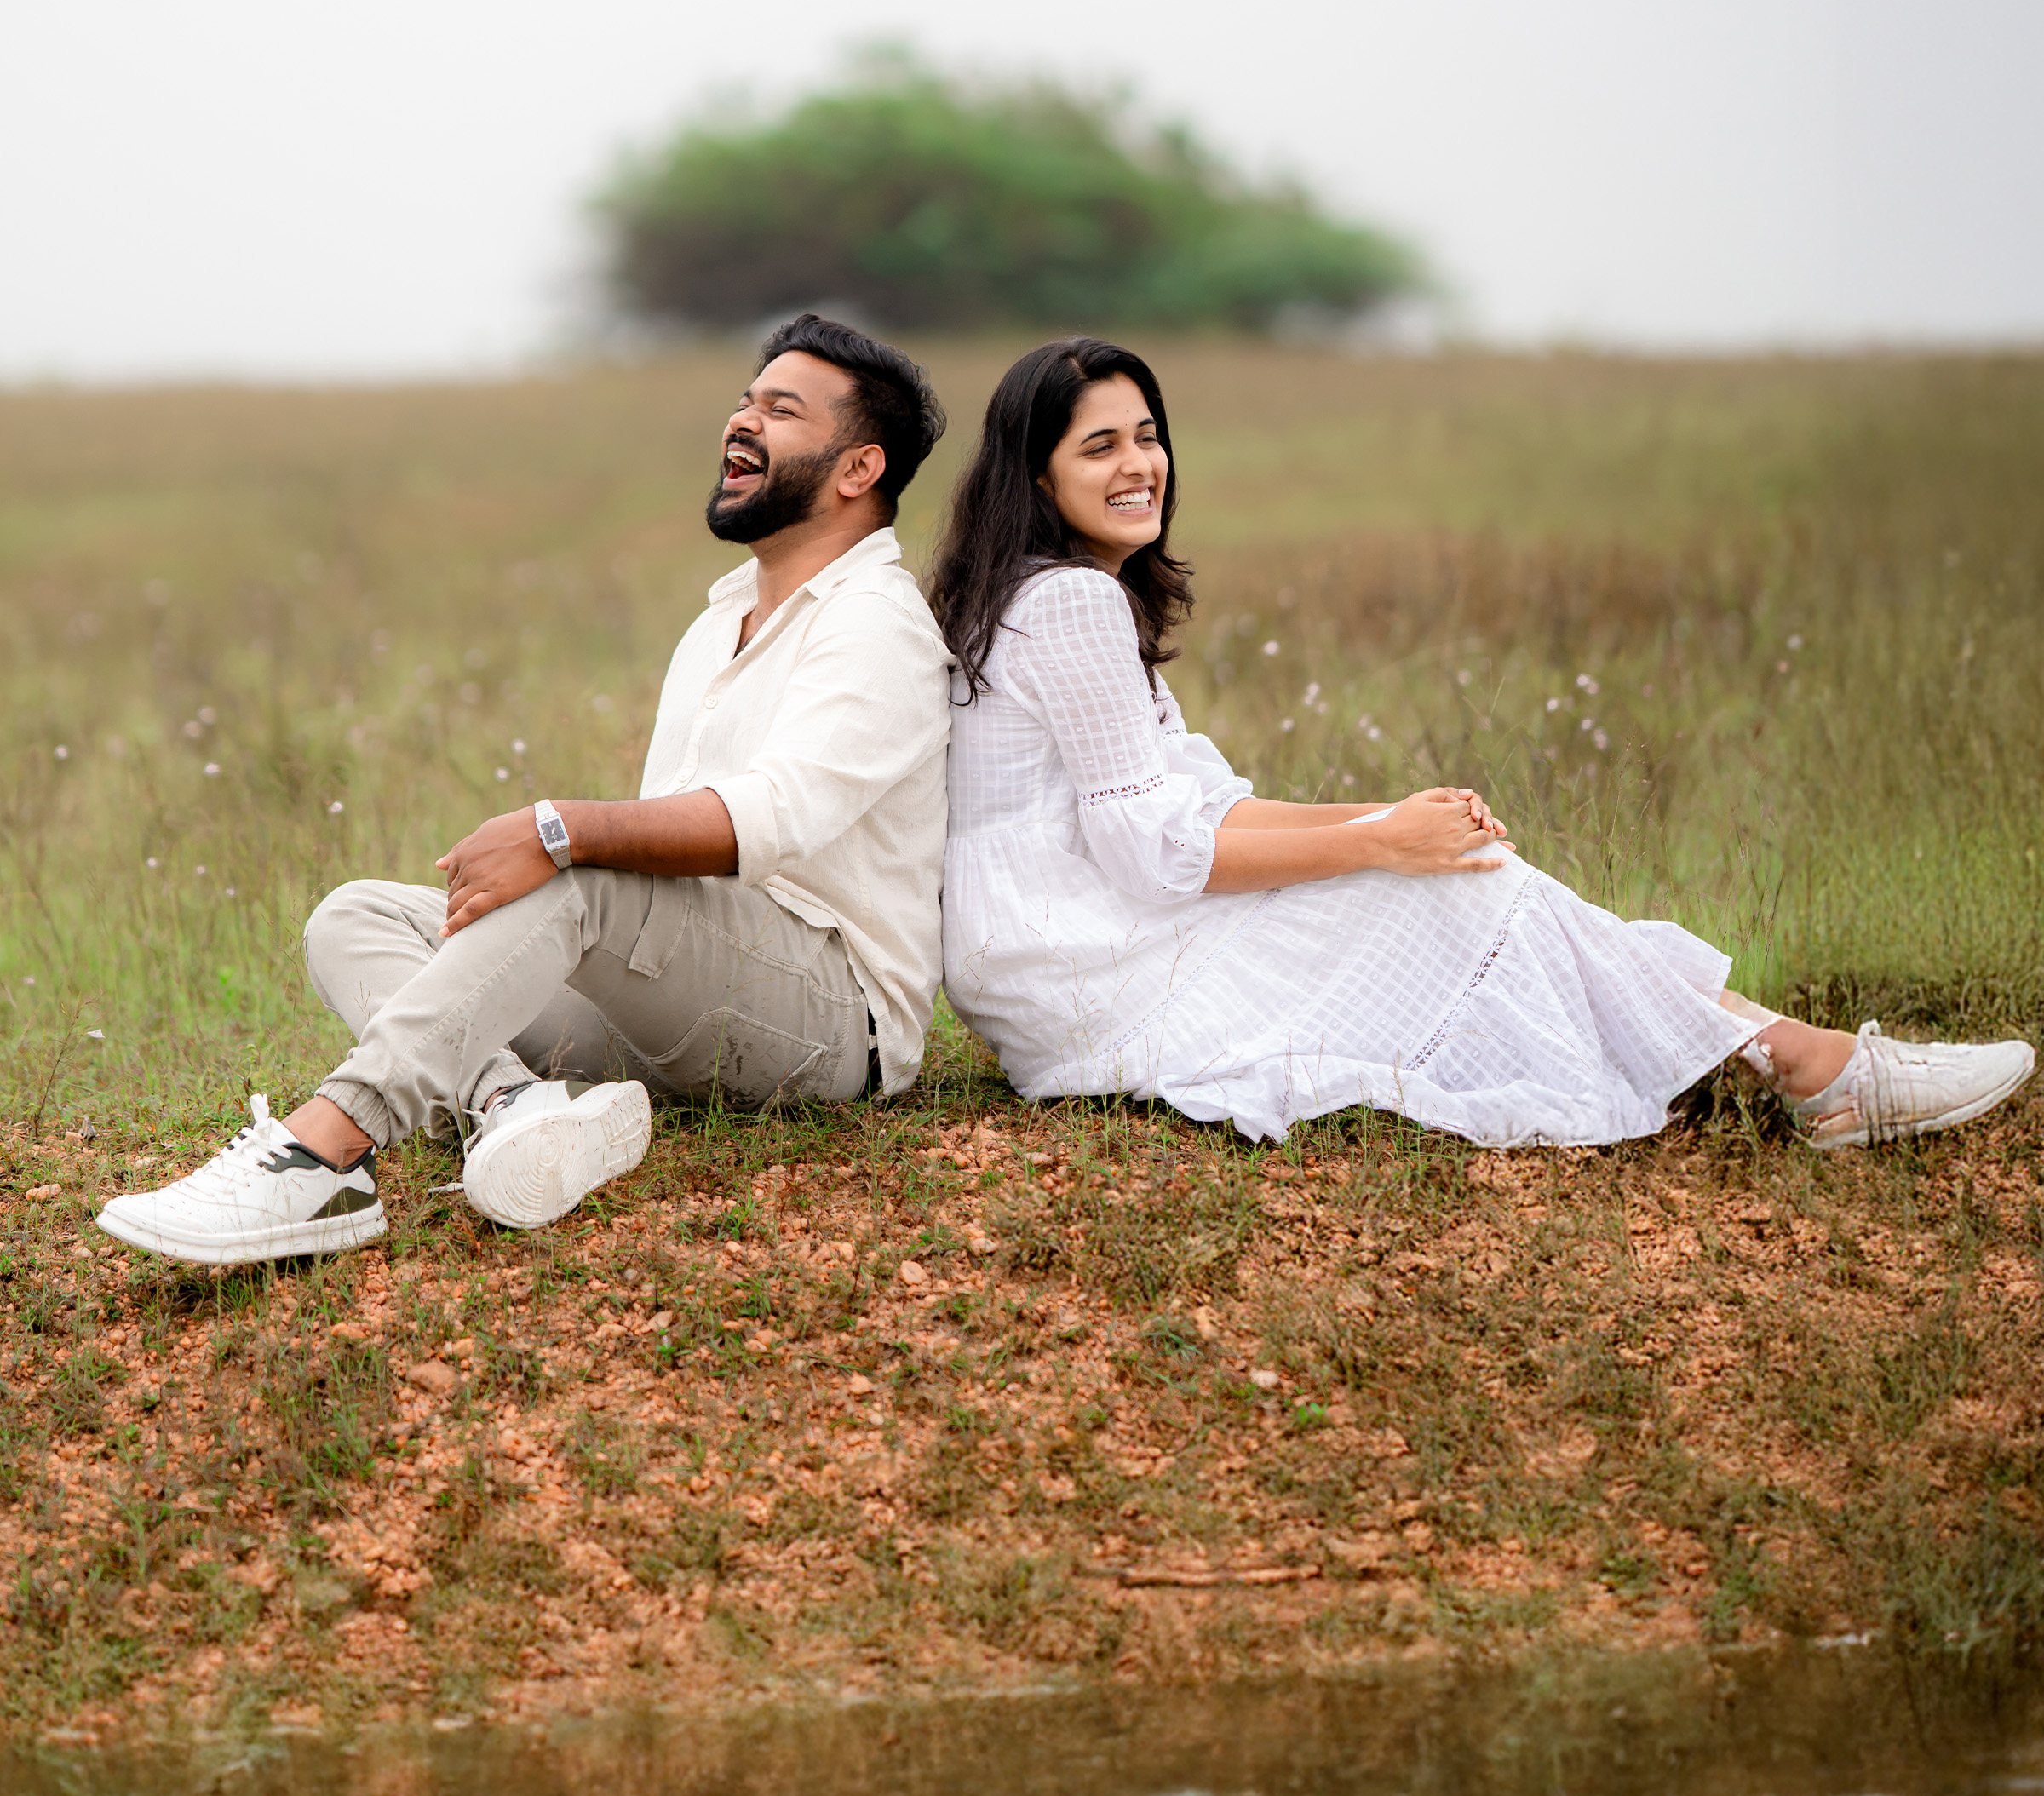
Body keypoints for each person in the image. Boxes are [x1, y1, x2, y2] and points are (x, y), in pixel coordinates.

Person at [927, 337, 2036, 1150]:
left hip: (1057, 969)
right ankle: (1815, 1068)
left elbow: (1193, 810)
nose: (1141, 466)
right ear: (1038, 474)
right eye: (1102, 446)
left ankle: (1806, 1058)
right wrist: (1379, 849)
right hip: (1089, 976)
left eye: (1151, 436)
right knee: (1449, 890)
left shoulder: (1050, 597)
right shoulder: (1069, 603)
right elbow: (1154, 852)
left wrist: (1390, 822)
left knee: (1455, 868)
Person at [99, 315, 953, 1265]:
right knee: (361, 916)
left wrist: (559, 829)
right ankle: (515, 1106)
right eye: (744, 400)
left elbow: (771, 822)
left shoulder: (877, 622)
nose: (739, 422)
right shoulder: (721, 619)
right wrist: (570, 847)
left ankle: (322, 1157)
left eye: (780, 411)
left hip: (826, 1024)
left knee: (579, 865)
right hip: (683, 1010)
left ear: (858, 470)